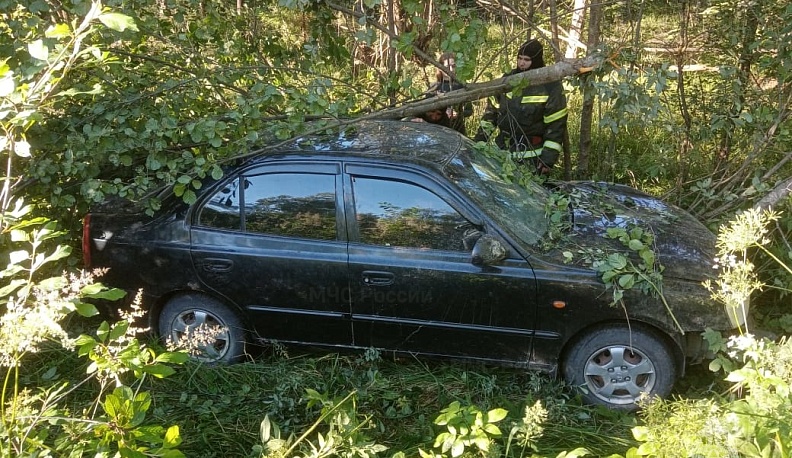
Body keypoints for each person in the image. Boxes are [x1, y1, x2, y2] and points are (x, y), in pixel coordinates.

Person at [474, 39, 568, 175]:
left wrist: (548, 159)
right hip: (502, 152)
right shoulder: (508, 79)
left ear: (535, 60)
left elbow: (556, 125)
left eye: (527, 60)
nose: (522, 63)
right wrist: (479, 141)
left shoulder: (550, 85)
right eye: (519, 58)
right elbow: (492, 112)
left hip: (532, 156)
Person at [426, 52, 474, 135]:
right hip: (437, 131)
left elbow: (469, 111)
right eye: (447, 67)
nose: (451, 69)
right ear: (440, 68)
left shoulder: (461, 86)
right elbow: (426, 111)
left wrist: (458, 114)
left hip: (457, 131)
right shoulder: (434, 88)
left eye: (453, 66)